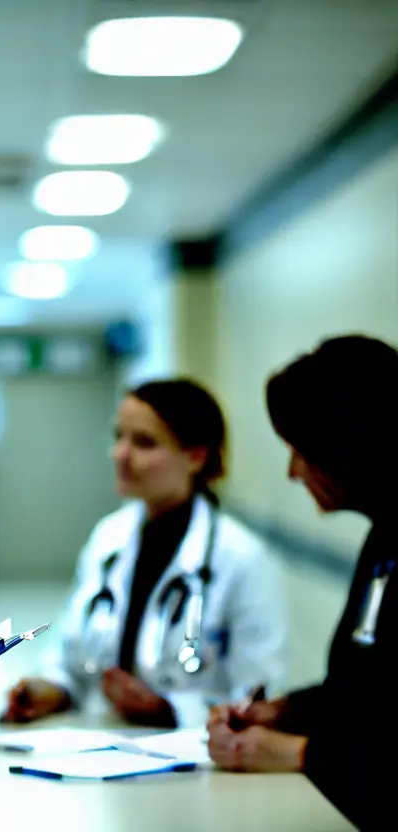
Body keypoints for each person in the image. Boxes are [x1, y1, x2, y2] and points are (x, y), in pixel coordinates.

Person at [2, 379, 288, 729]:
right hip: (100, 749)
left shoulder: (241, 558)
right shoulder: (109, 538)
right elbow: (72, 654)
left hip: (195, 762)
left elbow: (258, 693)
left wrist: (168, 709)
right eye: (119, 437)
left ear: (196, 457)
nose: (120, 454)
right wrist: (52, 689)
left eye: (143, 442)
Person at [207, 334, 398, 830]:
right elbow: (364, 690)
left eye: (300, 451)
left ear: (350, 447)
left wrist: (301, 753)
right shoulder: (386, 539)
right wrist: (284, 713)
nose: (293, 473)